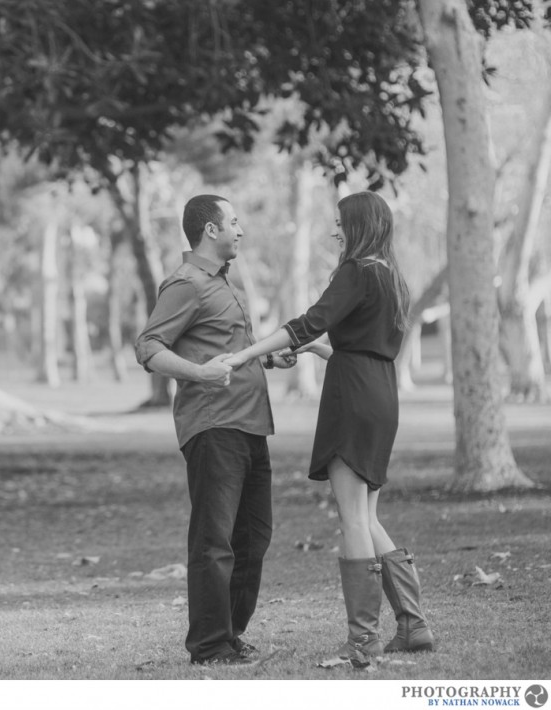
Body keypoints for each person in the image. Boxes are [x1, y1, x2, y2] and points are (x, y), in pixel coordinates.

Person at [223, 191, 435, 668]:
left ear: (358, 225)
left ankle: (364, 640)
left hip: (353, 397)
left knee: (352, 519)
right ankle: (413, 624)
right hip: (380, 392)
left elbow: (308, 322)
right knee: (368, 515)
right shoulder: (391, 275)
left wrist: (244, 354)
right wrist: (324, 353)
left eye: (340, 223)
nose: (335, 231)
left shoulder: (356, 270)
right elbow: (364, 341)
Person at [134, 194, 295, 666]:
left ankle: (228, 634)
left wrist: (268, 357)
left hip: (250, 424)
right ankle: (208, 646)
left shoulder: (223, 285)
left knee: (253, 538)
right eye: (234, 222)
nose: (241, 230)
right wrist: (197, 373)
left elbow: (227, 345)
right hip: (213, 425)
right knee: (215, 540)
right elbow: (147, 346)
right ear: (210, 229)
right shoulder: (186, 283)